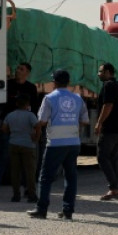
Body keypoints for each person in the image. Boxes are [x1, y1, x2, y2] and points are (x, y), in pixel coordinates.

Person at [28, 69, 88, 220]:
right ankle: (68, 210)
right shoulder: (78, 98)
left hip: (55, 143)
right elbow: (85, 120)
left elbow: (41, 120)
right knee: (70, 176)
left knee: (46, 177)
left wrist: (36, 132)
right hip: (73, 143)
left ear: (54, 82)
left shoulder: (49, 98)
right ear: (68, 82)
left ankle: (41, 209)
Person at [0, 62, 39, 199]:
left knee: (26, 161)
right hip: (9, 125)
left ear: (27, 72)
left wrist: (34, 131)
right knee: (3, 157)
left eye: (21, 69)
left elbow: (35, 109)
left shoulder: (31, 88)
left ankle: (28, 189)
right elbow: (0, 101)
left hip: (25, 129)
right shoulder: (8, 85)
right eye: (17, 68)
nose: (17, 71)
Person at [94, 62, 118, 201]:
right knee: (113, 159)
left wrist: (99, 123)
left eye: (100, 71)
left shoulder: (108, 86)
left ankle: (113, 188)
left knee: (102, 157)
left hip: (109, 129)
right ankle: (116, 188)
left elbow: (108, 105)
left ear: (108, 72)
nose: (98, 74)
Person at [4, 95, 39, 203]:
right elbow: (38, 126)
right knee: (30, 172)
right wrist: (36, 138)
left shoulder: (10, 115)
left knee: (15, 172)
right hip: (28, 145)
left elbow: (4, 128)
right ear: (27, 105)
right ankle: (31, 195)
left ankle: (16, 195)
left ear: (17, 104)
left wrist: (12, 134)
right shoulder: (30, 115)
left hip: (14, 144)